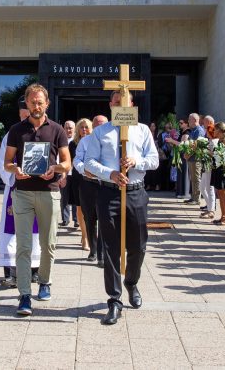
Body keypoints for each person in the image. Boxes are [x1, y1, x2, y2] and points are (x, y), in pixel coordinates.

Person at [84, 90, 159, 325]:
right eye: (116, 102)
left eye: (124, 102)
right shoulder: (100, 132)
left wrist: (137, 161)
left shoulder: (143, 129)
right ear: (110, 105)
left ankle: (131, 283)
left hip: (136, 191)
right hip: (109, 193)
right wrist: (111, 173)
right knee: (110, 248)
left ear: (132, 104)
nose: (120, 105)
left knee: (139, 246)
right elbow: (89, 162)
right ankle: (114, 299)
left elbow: (155, 160)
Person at [4, 83, 71, 316]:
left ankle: (45, 281)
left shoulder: (57, 130)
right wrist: (16, 170)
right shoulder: (16, 130)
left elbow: (67, 163)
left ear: (47, 103)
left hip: (49, 191)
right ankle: (24, 295)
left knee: (48, 243)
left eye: (40, 102)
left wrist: (54, 168)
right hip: (22, 193)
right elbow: (7, 162)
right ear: (27, 103)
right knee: (23, 245)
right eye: (32, 102)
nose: (36, 105)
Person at [0, 96, 41, 287]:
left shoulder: (43, 132)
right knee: (12, 231)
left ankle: (34, 271)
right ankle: (11, 273)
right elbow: (2, 162)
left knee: (36, 231)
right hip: (16, 187)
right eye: (24, 114)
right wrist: (14, 174)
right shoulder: (12, 134)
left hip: (38, 189)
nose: (27, 118)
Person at [74, 115, 108, 267]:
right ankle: (93, 250)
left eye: (103, 124)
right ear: (93, 126)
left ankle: (101, 253)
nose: (100, 126)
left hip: (106, 185)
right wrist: (84, 170)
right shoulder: (85, 141)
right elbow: (77, 159)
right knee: (90, 218)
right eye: (97, 124)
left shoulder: (113, 140)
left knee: (105, 219)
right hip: (88, 184)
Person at [69, 118, 92, 253]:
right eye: (81, 127)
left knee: (91, 210)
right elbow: (71, 161)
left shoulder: (95, 142)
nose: (84, 130)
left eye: (86, 127)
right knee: (80, 209)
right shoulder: (73, 144)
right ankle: (85, 237)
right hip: (78, 178)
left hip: (92, 178)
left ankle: (89, 234)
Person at [210, 122, 225, 225]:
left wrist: (210, 153)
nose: (213, 131)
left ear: (219, 130)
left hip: (222, 170)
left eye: (215, 129)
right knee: (220, 194)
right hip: (218, 169)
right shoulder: (219, 140)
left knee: (224, 195)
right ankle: (223, 216)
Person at [185, 113, 205, 207]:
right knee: (192, 178)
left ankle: (197, 199)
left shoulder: (199, 130)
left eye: (189, 119)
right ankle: (193, 196)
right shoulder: (193, 130)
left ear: (195, 120)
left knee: (196, 178)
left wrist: (188, 154)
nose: (188, 121)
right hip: (191, 158)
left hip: (196, 158)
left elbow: (197, 145)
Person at [60, 120, 77, 227]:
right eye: (66, 127)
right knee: (64, 198)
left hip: (75, 174)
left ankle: (76, 220)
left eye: (70, 128)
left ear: (74, 129)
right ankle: (65, 219)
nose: (68, 130)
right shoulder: (60, 141)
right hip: (63, 173)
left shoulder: (76, 142)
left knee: (76, 197)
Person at [199, 115, 217, 217]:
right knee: (202, 187)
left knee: (209, 188)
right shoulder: (209, 141)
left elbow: (214, 154)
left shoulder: (214, 142)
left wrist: (204, 151)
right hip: (206, 165)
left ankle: (211, 209)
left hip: (210, 166)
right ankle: (210, 206)